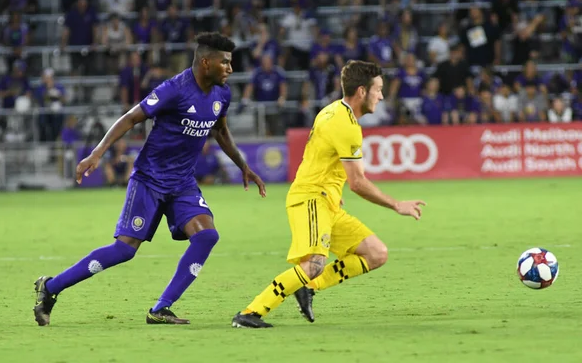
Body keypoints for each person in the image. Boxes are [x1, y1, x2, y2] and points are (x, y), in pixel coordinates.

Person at [33, 32, 266, 326]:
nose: (230, 69)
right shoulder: (174, 89)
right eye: (225, 63)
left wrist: (243, 165)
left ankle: (161, 308)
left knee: (207, 236)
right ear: (206, 62)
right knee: (124, 250)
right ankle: (51, 288)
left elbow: (219, 131)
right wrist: (97, 153)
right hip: (150, 179)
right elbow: (131, 118)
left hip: (181, 182)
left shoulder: (222, 94)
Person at [232, 60, 426, 328]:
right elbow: (358, 182)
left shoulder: (331, 111)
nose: (381, 96)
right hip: (311, 199)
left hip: (328, 200)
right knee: (313, 263)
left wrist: (334, 186)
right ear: (361, 91)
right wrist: (396, 205)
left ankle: (309, 287)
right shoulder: (346, 125)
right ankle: (251, 313)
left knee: (376, 253)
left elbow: (318, 155)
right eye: (378, 90)